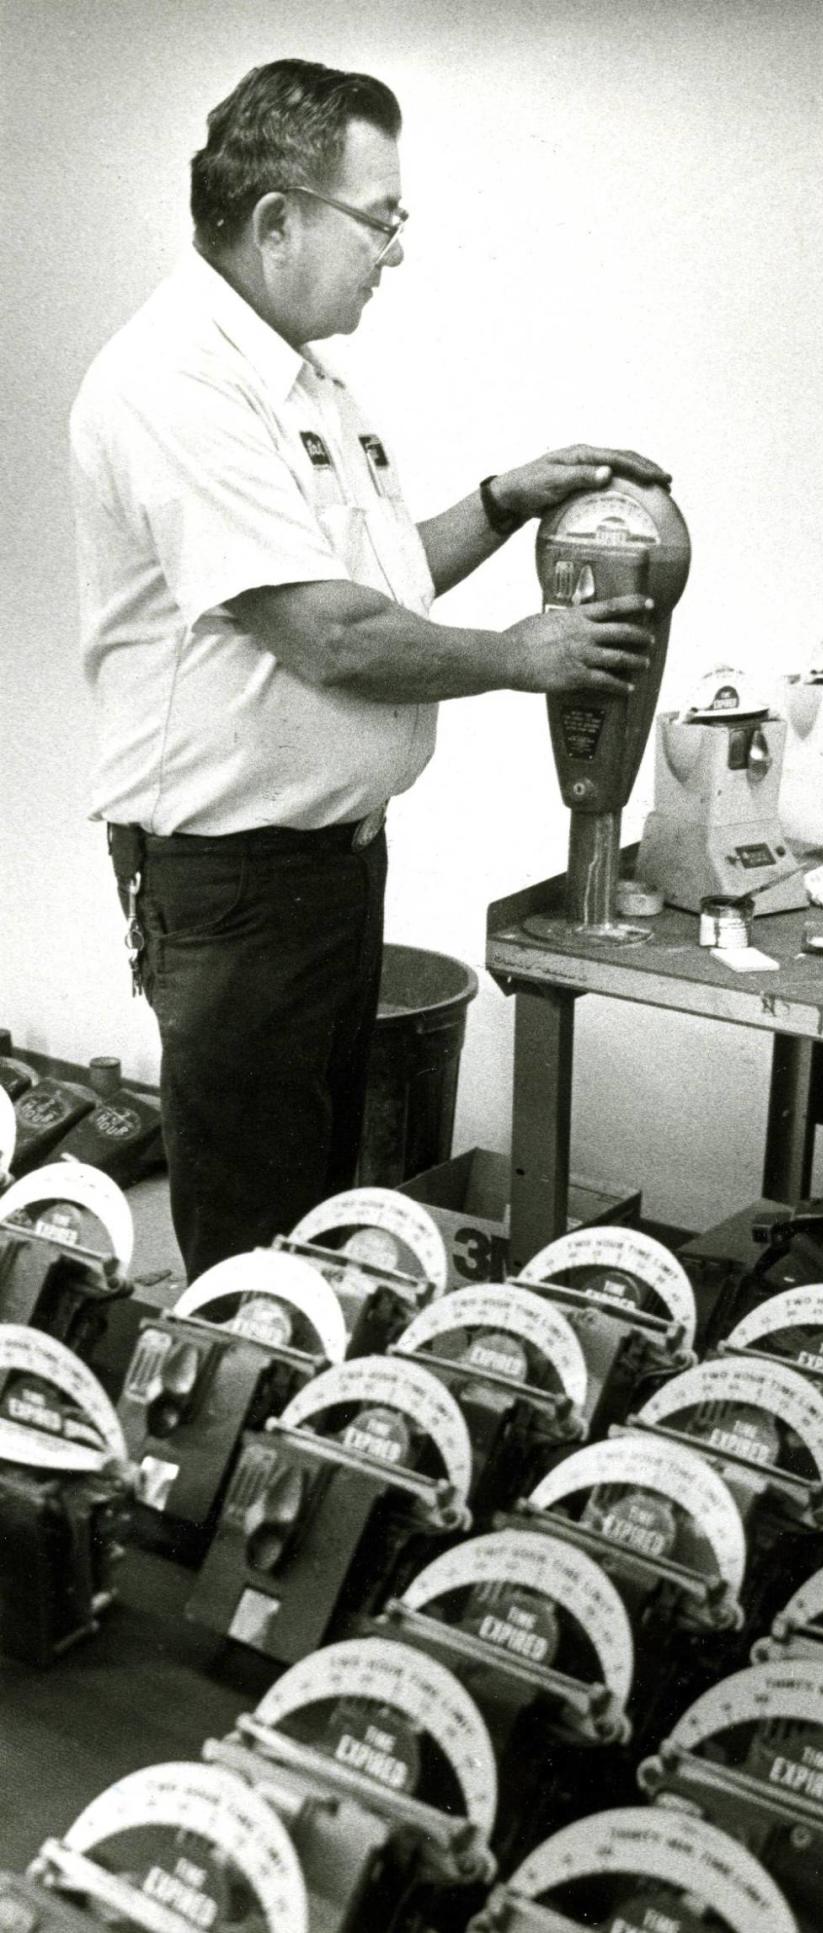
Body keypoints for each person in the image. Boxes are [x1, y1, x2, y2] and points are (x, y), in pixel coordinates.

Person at [70, 56, 670, 1281]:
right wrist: (520, 658)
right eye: (380, 218)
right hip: (235, 890)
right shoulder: (172, 384)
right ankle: (236, 1460)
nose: (394, 251)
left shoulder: (308, 383)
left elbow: (381, 588)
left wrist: (503, 502)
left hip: (328, 874)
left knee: (316, 1223)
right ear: (278, 218)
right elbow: (327, 633)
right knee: (252, 1255)